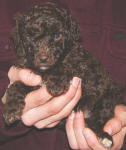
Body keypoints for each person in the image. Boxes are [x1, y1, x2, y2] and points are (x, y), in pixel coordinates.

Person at [0, 0, 126, 150]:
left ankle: (100, 132)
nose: (43, 53)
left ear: (69, 37)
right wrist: (10, 102)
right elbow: (18, 85)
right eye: (32, 37)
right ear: (21, 40)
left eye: (56, 36)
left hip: (97, 107)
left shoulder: (74, 59)